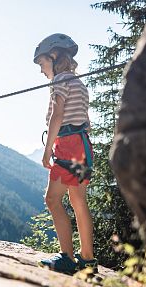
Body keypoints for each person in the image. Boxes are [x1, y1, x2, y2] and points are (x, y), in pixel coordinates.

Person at [33, 33, 97, 274]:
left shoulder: (59, 81)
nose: (41, 71)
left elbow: (57, 116)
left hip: (68, 146)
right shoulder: (80, 84)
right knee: (79, 201)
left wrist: (47, 151)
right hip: (83, 146)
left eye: (42, 64)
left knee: (52, 199)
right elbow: (87, 124)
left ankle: (67, 258)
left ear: (54, 56)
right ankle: (88, 259)